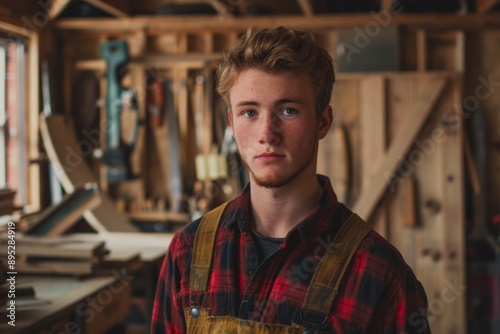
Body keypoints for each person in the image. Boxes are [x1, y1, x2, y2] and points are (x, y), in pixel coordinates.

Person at [151, 26, 431, 334]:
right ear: (231, 122)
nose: (267, 133)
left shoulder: (379, 273)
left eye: (287, 110)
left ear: (322, 122)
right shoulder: (187, 251)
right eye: (249, 112)